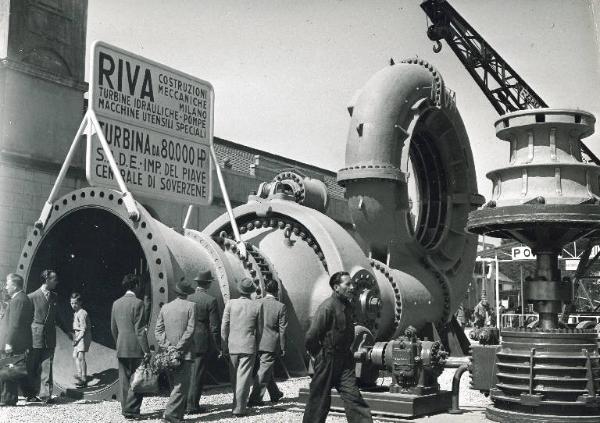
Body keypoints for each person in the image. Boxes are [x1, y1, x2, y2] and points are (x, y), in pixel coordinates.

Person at [302, 271, 373, 423]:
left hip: (344, 361)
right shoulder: (327, 307)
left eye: (352, 283)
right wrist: (320, 355)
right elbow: (311, 337)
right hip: (327, 360)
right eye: (347, 284)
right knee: (319, 401)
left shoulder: (347, 306)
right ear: (336, 287)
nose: (352, 287)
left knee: (354, 397)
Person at [155, 279, 196, 423]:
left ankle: (178, 416)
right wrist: (179, 347)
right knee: (181, 386)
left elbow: (158, 331)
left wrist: (169, 347)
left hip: (167, 354)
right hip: (185, 353)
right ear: (186, 294)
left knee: (174, 385)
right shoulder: (191, 306)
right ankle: (170, 416)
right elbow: (190, 330)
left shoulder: (165, 307)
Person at [110, 274, 150, 420]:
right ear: (136, 285)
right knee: (137, 379)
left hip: (122, 346)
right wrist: (146, 350)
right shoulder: (138, 303)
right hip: (136, 348)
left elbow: (113, 328)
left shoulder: (116, 303)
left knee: (124, 380)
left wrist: (119, 343)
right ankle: (132, 411)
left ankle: (125, 408)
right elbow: (140, 330)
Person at [221, 277, 262, 417]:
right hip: (248, 346)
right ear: (251, 292)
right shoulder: (257, 306)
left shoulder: (230, 304)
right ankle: (239, 408)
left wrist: (223, 344)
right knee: (244, 378)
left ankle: (236, 404)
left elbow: (224, 326)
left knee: (234, 377)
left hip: (232, 345)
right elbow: (260, 329)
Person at [186, 270, 221, 414]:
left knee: (187, 374)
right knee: (198, 374)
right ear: (207, 284)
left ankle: (183, 403)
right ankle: (192, 406)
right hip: (201, 342)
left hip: (187, 340)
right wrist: (218, 346)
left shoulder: (187, 298)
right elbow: (214, 327)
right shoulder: (210, 300)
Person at [248, 278, 286, 406]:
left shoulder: (256, 303)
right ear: (276, 291)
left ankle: (275, 393)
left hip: (255, 341)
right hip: (270, 343)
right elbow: (282, 329)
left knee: (265, 368)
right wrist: (283, 346)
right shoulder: (280, 306)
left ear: (266, 290)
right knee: (264, 370)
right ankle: (255, 399)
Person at [0, 273, 33, 406]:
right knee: (9, 369)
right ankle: (7, 398)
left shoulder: (18, 299)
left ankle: (8, 399)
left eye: (7, 284)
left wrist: (9, 342)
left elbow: (15, 324)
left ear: (14, 285)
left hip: (13, 342)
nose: (6, 287)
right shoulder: (20, 298)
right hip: (15, 341)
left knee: (10, 369)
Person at [27, 269, 59, 403]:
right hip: (35, 336)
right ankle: (30, 394)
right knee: (33, 365)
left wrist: (68, 331)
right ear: (46, 280)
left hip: (50, 336)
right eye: (54, 279)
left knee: (47, 365)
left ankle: (46, 395)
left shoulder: (55, 296)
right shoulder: (32, 297)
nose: (57, 282)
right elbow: (27, 319)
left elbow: (57, 316)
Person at [70, 292, 91, 387]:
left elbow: (83, 329)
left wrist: (77, 339)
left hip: (83, 336)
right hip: (78, 336)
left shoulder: (82, 313)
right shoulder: (76, 313)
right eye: (71, 303)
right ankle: (79, 374)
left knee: (81, 357)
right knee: (75, 355)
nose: (73, 305)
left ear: (80, 303)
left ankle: (83, 377)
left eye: (75, 303)